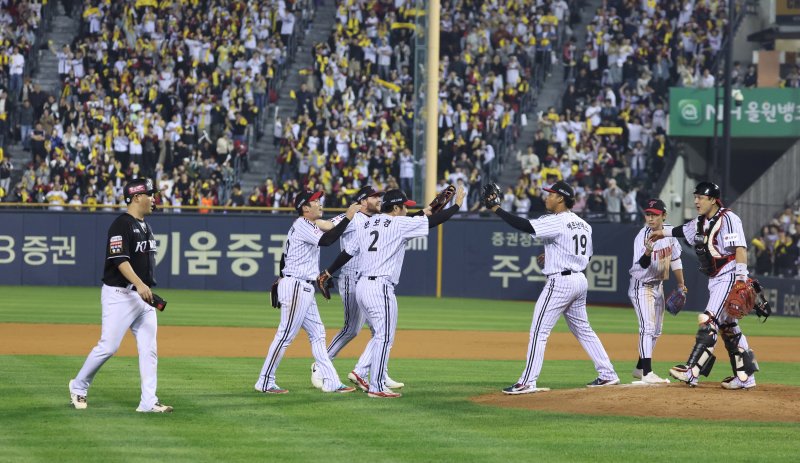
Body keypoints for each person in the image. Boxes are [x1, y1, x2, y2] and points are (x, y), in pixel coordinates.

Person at [320, 187, 465, 398]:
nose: (407, 210)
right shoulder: (398, 223)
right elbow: (431, 222)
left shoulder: (367, 222)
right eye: (404, 207)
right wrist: (457, 206)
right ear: (396, 208)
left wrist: (327, 271)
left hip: (361, 287)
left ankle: (362, 372)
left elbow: (347, 253)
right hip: (380, 287)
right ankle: (376, 385)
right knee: (384, 336)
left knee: (380, 335)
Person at [482, 180, 619, 394]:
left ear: (561, 198)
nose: (547, 197)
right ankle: (608, 374)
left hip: (561, 282)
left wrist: (497, 209)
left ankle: (527, 381)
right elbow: (588, 254)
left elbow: (525, 226)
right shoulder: (584, 224)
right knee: (584, 330)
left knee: (539, 330)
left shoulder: (558, 221)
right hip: (580, 280)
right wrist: (556, 255)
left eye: (551, 194)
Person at [68, 178, 172, 412]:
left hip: (143, 297)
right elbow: (119, 260)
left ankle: (148, 401)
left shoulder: (145, 225)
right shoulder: (121, 224)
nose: (154, 199)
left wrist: (144, 288)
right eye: (150, 194)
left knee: (149, 349)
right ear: (137, 197)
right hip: (120, 295)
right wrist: (140, 284)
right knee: (108, 346)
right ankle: (78, 386)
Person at [649, 182, 757, 389]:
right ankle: (746, 377)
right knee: (729, 328)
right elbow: (681, 230)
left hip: (729, 275)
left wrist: (741, 280)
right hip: (714, 278)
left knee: (709, 320)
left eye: (701, 197)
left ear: (713, 200)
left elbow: (741, 249)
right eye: (695, 197)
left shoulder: (729, 219)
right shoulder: (700, 222)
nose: (696, 201)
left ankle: (692, 371)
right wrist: (661, 232)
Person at [254, 191, 361, 394]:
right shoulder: (302, 224)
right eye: (315, 201)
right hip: (296, 286)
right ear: (305, 208)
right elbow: (328, 240)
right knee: (285, 334)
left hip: (302, 286)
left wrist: (351, 212)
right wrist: (347, 217)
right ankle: (265, 381)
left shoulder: (308, 225)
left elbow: (328, 227)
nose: (320, 204)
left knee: (318, 334)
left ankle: (331, 381)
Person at [310, 186, 404, 391]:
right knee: (351, 329)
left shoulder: (377, 220)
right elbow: (324, 225)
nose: (378, 199)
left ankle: (379, 372)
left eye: (379, 196)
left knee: (379, 330)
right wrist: (311, 220)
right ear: (362, 201)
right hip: (351, 279)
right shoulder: (351, 216)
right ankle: (320, 366)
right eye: (374, 196)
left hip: (365, 281)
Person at [628, 199, 686, 384]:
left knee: (657, 331)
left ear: (664, 216)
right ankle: (647, 372)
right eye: (648, 214)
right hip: (641, 285)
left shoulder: (669, 233)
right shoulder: (642, 236)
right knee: (647, 327)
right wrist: (647, 252)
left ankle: (639, 368)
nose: (651, 218)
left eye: (655, 215)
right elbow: (643, 265)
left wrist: (681, 284)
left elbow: (675, 259)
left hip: (658, 286)